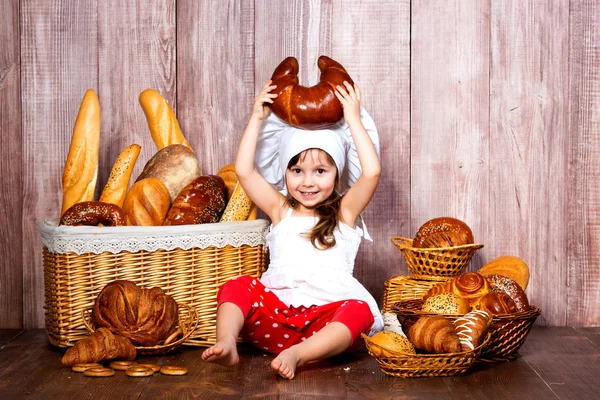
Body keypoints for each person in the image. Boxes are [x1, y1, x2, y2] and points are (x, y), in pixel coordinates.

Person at [201, 79, 383, 379]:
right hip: (276, 319)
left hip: (325, 330)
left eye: (320, 171)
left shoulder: (344, 214)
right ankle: (226, 342)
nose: (307, 182)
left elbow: (372, 172)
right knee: (237, 286)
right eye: (296, 170)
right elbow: (244, 171)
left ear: (337, 174)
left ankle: (298, 354)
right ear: (284, 171)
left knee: (360, 309)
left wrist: (352, 118)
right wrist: (256, 118)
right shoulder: (280, 210)